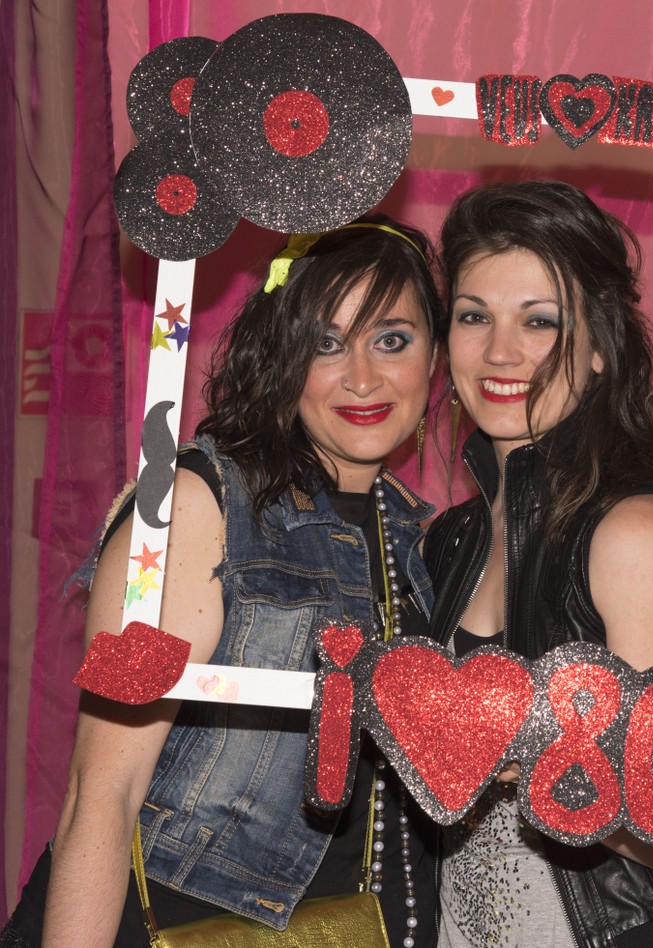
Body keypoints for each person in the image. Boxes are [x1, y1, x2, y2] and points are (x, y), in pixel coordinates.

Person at [4, 218, 442, 948]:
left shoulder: (418, 538)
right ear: (281, 354)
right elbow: (100, 795)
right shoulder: (196, 504)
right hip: (172, 926)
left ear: (434, 354)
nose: (363, 377)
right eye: (326, 343)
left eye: (391, 339)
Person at [424, 179, 653, 948]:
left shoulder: (636, 532)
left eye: (540, 321)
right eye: (474, 316)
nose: (500, 352)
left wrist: (515, 750)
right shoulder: (451, 539)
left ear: (599, 349)